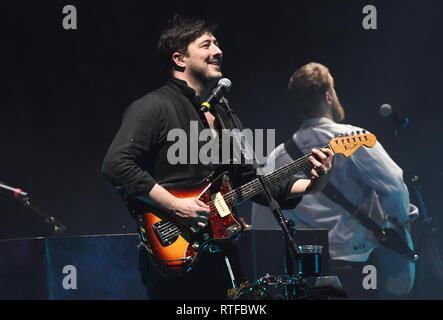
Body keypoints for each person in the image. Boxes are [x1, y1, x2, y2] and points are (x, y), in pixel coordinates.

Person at [101, 18, 334, 299]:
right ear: (179, 59)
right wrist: (177, 206)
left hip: (222, 251)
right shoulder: (153, 106)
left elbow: (253, 181)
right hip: (174, 252)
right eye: (206, 45)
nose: (218, 50)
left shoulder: (224, 116)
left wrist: (313, 185)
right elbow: (117, 164)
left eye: (217, 43)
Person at [251, 62, 418, 299]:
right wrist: (400, 222)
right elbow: (394, 186)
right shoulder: (354, 137)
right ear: (328, 96)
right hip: (354, 267)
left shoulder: (277, 156)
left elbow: (263, 222)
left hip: (305, 274)